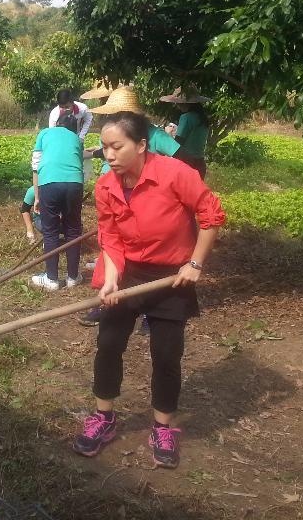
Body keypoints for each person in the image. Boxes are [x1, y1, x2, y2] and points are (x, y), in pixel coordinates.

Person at [73, 111, 225, 468]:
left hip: (172, 277)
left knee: (166, 355)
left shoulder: (176, 174)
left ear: (141, 145)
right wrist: (110, 278)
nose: (108, 155)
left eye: (116, 147)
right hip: (127, 272)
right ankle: (104, 418)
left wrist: (195, 264)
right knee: (108, 345)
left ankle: (162, 427)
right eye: (104, 148)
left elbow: (211, 215)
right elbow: (109, 235)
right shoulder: (106, 186)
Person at [79, 86, 181, 330]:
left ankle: (150, 312)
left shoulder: (154, 136)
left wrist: (169, 191)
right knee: (112, 249)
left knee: (145, 259)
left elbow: (181, 157)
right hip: (116, 193)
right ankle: (109, 303)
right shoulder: (112, 137)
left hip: (147, 196)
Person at [29, 112, 84, 290]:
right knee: (73, 230)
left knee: (51, 232)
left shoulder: (45, 133)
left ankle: (51, 279)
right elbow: (79, 163)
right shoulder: (77, 139)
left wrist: (37, 197)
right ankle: (73, 278)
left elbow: (36, 167)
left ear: (57, 124)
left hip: (49, 183)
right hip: (75, 183)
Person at [159, 88, 211, 179]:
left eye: (178, 103)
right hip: (200, 162)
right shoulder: (203, 118)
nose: (177, 105)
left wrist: (168, 134)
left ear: (184, 104)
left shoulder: (186, 117)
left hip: (187, 162)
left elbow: (177, 144)